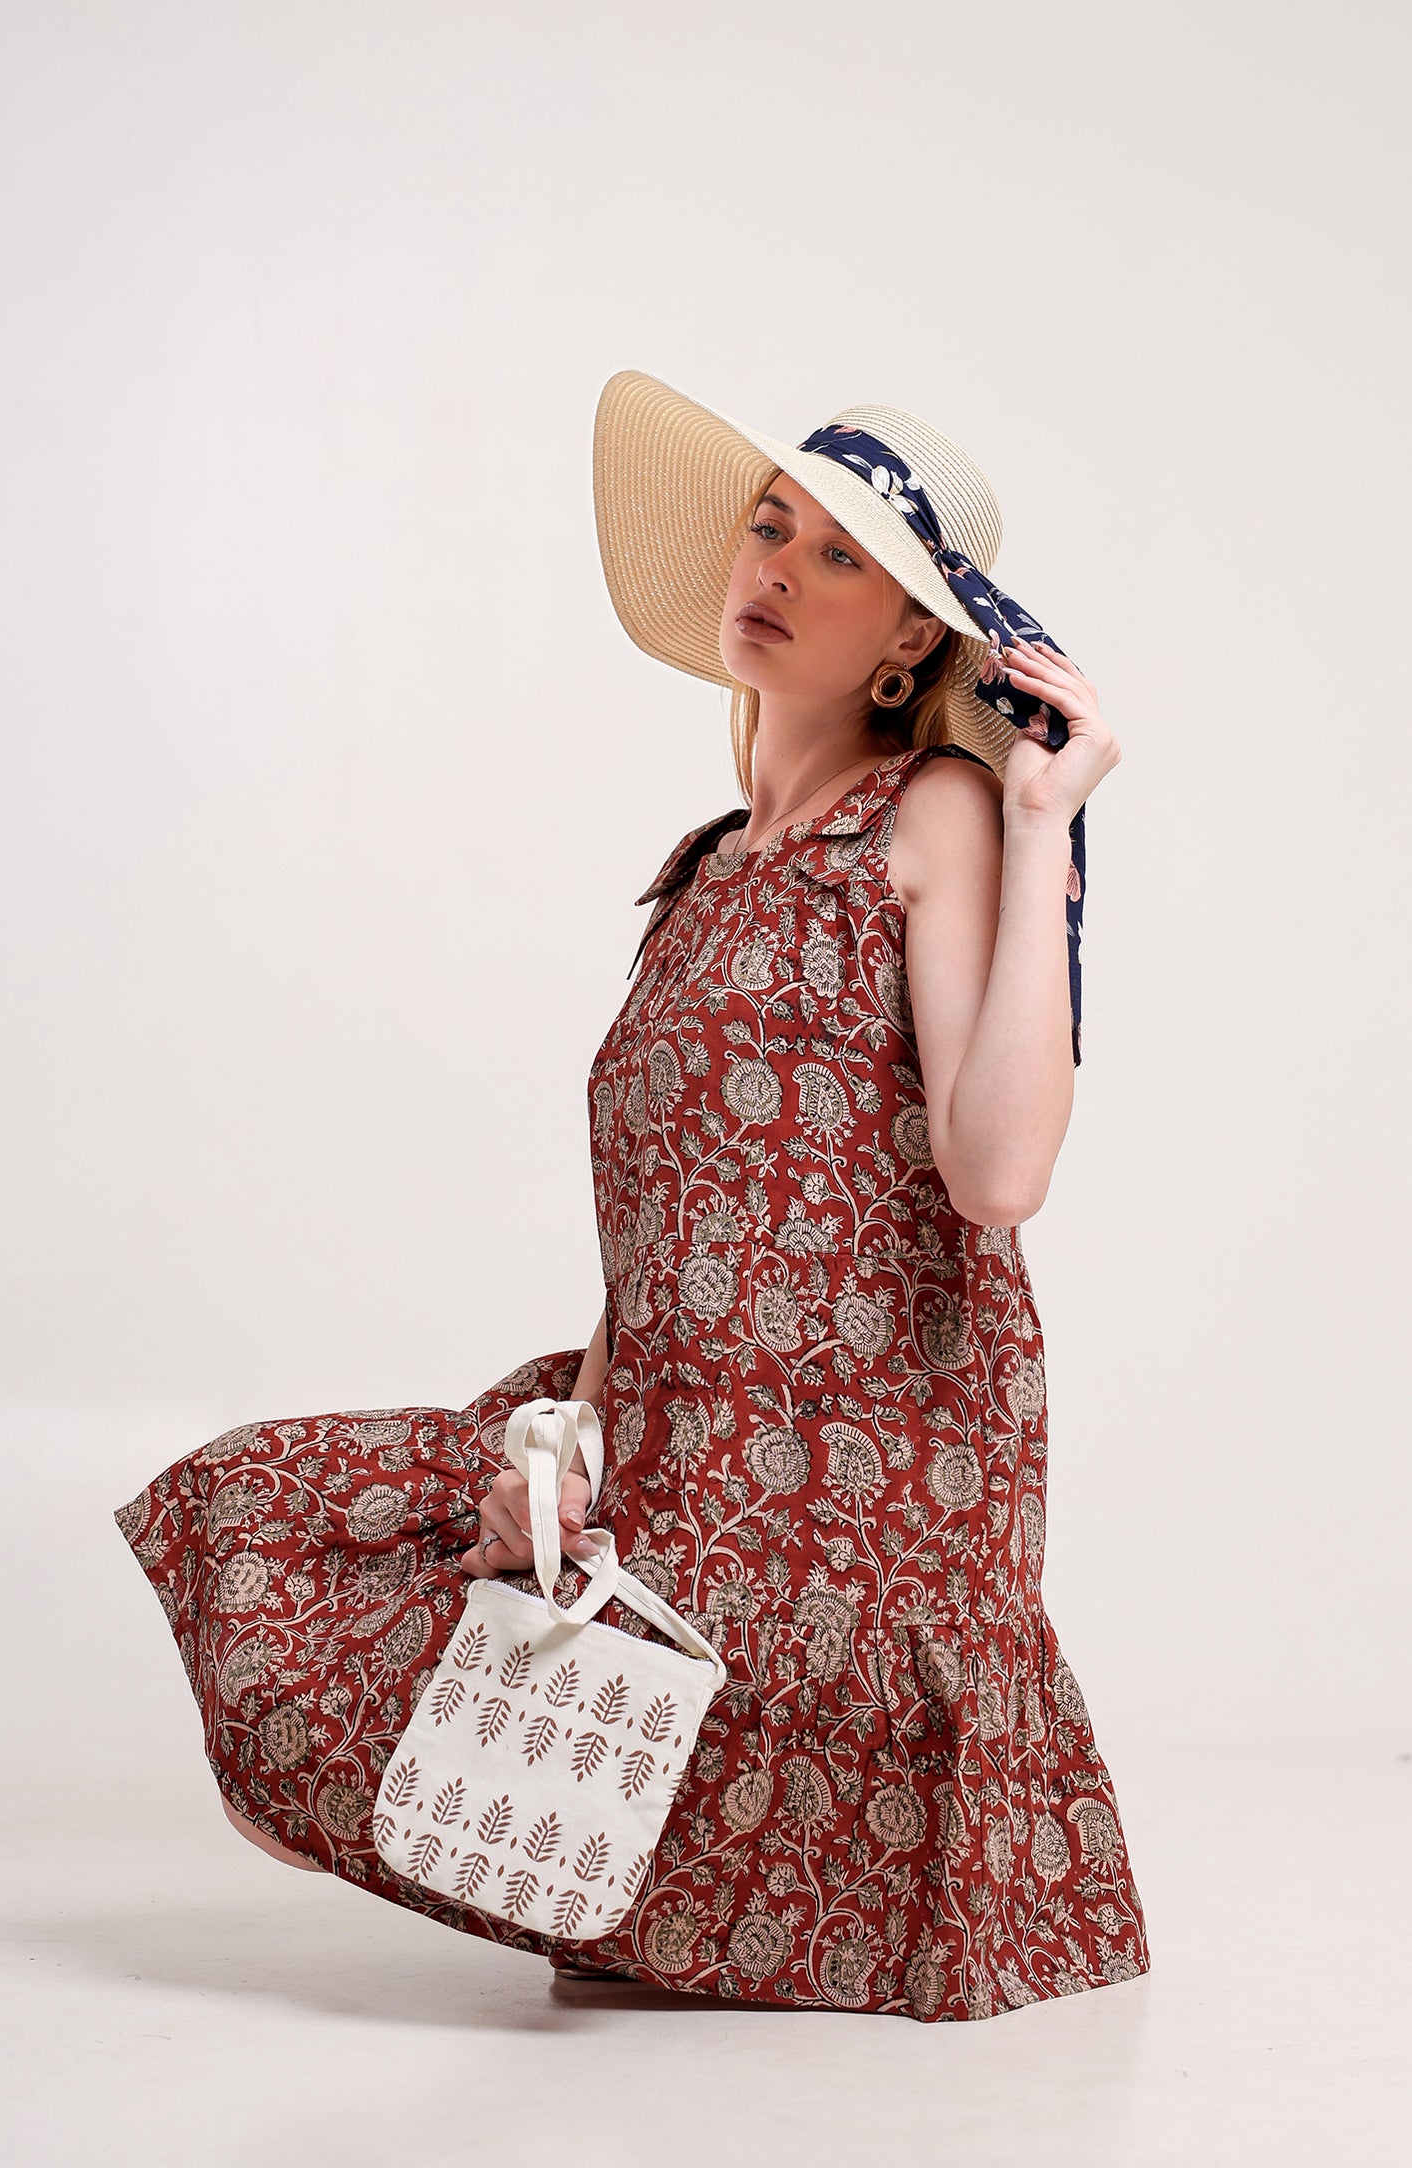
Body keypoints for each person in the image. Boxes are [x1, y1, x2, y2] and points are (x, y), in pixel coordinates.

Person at [113, 369, 1150, 2023]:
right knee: (271, 1527)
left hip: (866, 1466)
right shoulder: (695, 877)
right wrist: (570, 1455)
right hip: (678, 1429)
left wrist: (1043, 822)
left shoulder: (939, 813)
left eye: (839, 558)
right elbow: (657, 1232)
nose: (778, 570)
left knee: (629, 1795)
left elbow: (1000, 1172)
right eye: (770, 528)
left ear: (907, 643)